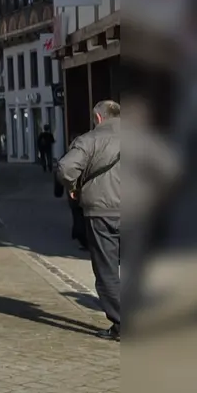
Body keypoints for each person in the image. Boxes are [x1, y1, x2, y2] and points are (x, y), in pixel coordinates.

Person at [56, 100, 123, 340]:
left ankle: (121, 324)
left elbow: (65, 169)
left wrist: (73, 186)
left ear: (98, 118)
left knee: (107, 271)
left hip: (101, 212)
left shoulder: (89, 140)